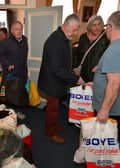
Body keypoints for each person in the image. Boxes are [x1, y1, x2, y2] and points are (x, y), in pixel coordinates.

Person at [38, 14, 85, 143]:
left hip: (55, 81)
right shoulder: (56, 41)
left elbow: (62, 61)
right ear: (66, 25)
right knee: (52, 110)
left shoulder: (62, 37)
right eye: (75, 29)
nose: (75, 33)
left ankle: (52, 126)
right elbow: (56, 69)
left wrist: (71, 69)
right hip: (52, 82)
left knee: (55, 108)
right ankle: (50, 133)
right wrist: (76, 79)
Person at [93, 11, 120, 139]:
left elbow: (114, 83)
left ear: (109, 27)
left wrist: (104, 110)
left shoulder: (115, 49)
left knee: (106, 145)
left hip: (111, 109)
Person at [73, 15, 110, 82]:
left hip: (98, 75)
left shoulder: (106, 38)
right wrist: (76, 67)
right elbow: (77, 55)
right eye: (94, 25)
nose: (97, 27)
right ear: (89, 27)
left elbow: (109, 57)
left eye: (99, 24)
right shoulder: (83, 37)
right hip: (83, 75)